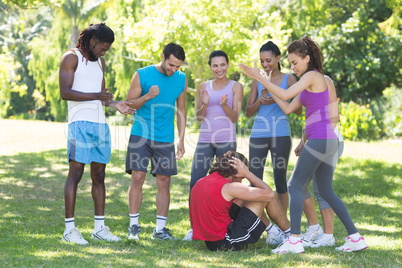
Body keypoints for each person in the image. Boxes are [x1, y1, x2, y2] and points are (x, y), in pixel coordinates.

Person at [239, 36, 367, 254]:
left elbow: (287, 93)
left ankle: (295, 240)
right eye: (290, 63)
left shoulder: (312, 76)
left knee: (295, 185)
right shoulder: (312, 82)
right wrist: (267, 89)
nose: (292, 67)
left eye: (295, 62)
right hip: (326, 140)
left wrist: (260, 78)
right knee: (326, 190)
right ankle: (355, 237)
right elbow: (288, 106)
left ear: (307, 59)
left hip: (320, 139)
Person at [59, 23, 135, 245]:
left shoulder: (100, 62)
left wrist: (116, 104)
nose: (104, 53)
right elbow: (65, 92)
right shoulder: (70, 58)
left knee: (99, 175)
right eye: (102, 48)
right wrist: (97, 95)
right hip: (79, 123)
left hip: (100, 124)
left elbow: (102, 97)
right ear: (92, 42)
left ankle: (99, 228)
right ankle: (69, 230)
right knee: (76, 173)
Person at [125, 42, 187, 240]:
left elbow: (182, 110)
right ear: (163, 56)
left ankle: (160, 230)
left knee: (165, 181)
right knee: (137, 178)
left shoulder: (181, 79)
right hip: (141, 134)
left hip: (165, 137)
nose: (174, 70)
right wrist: (147, 96)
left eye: (178, 66)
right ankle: (134, 226)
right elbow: (128, 104)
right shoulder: (142, 74)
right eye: (171, 65)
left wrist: (181, 139)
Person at [183, 50, 244, 241]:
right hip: (205, 140)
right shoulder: (204, 86)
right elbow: (199, 117)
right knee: (196, 182)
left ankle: (226, 226)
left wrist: (225, 105)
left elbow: (235, 117)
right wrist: (205, 103)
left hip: (226, 139)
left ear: (228, 65)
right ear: (210, 67)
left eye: (223, 64)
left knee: (228, 183)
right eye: (215, 65)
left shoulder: (236, 87)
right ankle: (194, 229)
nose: (219, 69)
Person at [245, 41, 299, 245]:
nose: (265, 64)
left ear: (278, 58)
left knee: (280, 180)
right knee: (254, 180)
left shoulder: (289, 79)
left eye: (269, 60)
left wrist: (275, 97)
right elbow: (248, 111)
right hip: (258, 134)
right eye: (262, 61)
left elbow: (298, 109)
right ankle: (261, 225)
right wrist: (261, 100)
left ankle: (284, 227)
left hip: (280, 133)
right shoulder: (257, 80)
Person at [190, 151, 291, 251]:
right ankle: (291, 235)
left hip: (211, 242)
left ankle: (274, 233)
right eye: (241, 178)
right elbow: (269, 194)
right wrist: (247, 173)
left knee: (248, 195)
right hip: (226, 241)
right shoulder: (229, 187)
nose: (241, 181)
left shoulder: (202, 181)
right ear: (236, 172)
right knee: (263, 196)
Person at [297, 76, 344, 248]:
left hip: (327, 140)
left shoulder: (322, 80)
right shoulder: (306, 83)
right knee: (307, 186)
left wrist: (322, 141)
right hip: (318, 139)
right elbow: (311, 118)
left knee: (317, 188)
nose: (294, 67)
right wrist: (303, 142)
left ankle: (325, 233)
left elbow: (331, 118)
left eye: (295, 62)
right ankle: (317, 230)